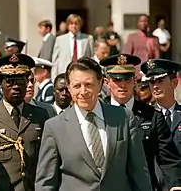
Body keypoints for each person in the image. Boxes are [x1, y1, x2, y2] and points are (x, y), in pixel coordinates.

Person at [35, 57, 152, 191]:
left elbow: (139, 173)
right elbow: (45, 183)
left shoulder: (123, 118)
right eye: (77, 86)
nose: (83, 92)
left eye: (89, 84)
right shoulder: (54, 127)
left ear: (100, 83)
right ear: (69, 88)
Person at [101, 54, 181, 191]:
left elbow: (168, 159)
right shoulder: (98, 113)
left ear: (135, 81)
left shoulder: (152, 116)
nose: (122, 84)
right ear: (106, 82)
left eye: (127, 79)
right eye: (116, 79)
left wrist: (175, 184)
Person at [0, 53, 49, 191]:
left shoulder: (41, 115)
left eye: (21, 81)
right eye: (10, 81)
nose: (16, 86)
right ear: (0, 83)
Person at [141, 59, 181, 154]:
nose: (155, 86)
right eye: (151, 82)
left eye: (160, 81)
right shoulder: (143, 117)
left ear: (174, 83)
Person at [52, 14, 94, 81]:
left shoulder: (88, 39)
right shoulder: (60, 40)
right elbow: (55, 61)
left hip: (83, 74)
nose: (74, 26)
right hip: (65, 75)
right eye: (71, 24)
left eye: (76, 23)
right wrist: (54, 79)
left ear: (80, 25)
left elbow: (92, 57)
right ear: (67, 25)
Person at [123, 14, 160, 79]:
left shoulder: (154, 39)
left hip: (150, 72)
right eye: (141, 21)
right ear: (138, 23)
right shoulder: (132, 37)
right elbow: (127, 56)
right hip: (136, 72)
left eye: (145, 21)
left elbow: (157, 57)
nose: (143, 23)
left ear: (148, 23)